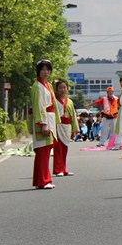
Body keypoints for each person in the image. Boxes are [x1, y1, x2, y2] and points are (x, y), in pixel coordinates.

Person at [31, 59, 57, 189]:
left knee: (46, 151)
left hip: (49, 119)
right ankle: (43, 180)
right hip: (43, 120)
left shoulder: (48, 85)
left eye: (48, 69)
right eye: (43, 69)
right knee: (42, 151)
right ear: (38, 71)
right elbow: (38, 106)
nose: (45, 72)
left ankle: (42, 180)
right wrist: (43, 124)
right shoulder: (37, 86)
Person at [53, 79, 79, 177]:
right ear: (56, 89)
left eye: (64, 87)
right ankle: (58, 169)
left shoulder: (70, 102)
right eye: (60, 88)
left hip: (67, 127)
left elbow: (73, 116)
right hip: (57, 126)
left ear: (67, 88)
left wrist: (75, 129)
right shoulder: (54, 100)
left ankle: (64, 169)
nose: (62, 89)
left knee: (65, 149)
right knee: (58, 149)